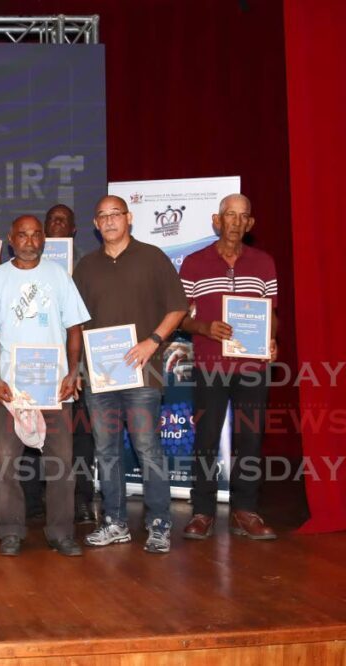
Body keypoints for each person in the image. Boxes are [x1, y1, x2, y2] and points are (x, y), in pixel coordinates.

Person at [74, 195, 188, 554]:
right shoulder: (86, 266)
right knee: (106, 451)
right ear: (95, 224)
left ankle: (159, 524)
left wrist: (152, 342)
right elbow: (75, 322)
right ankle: (115, 523)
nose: (109, 221)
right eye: (102, 216)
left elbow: (178, 309)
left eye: (115, 215)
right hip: (100, 377)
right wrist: (79, 367)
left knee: (147, 449)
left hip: (143, 373)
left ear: (129, 218)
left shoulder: (152, 257)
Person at [0, 215, 89, 557]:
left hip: (54, 386)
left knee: (61, 463)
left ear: (43, 239)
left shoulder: (58, 275)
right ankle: (10, 530)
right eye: (22, 235)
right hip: (11, 387)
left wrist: (73, 371)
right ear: (11, 239)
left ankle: (61, 532)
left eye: (35, 234)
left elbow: (74, 328)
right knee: (7, 461)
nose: (29, 240)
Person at [179, 194, 278, 540]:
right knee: (205, 439)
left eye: (242, 216)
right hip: (210, 366)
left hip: (252, 367)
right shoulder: (193, 263)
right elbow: (181, 317)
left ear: (249, 223)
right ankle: (202, 511)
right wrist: (204, 328)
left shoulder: (264, 263)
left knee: (250, 438)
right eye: (229, 215)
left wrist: (271, 337)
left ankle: (245, 510)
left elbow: (272, 314)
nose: (235, 222)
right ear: (216, 220)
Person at [20, 204, 96, 524]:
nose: (57, 224)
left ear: (75, 229)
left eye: (63, 220)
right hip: (32, 364)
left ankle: (79, 500)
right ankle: (33, 501)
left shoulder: (86, 266)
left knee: (76, 437)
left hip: (72, 368)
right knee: (27, 432)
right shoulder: (23, 268)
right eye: (52, 220)